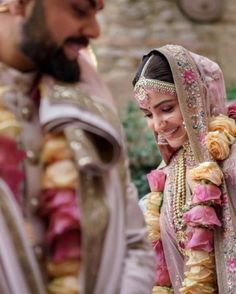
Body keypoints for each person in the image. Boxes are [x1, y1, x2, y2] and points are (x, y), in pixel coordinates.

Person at [0, 1, 156, 293]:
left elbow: (134, 245)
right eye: (79, 10)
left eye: (97, 12)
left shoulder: (94, 108)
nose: (95, 30)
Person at [132, 44, 236, 294]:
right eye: (148, 114)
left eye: (167, 109)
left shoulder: (229, 159)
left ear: (194, 99)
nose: (158, 125)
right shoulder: (167, 173)